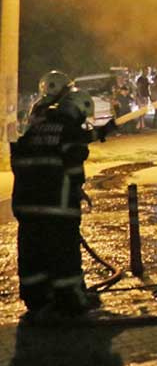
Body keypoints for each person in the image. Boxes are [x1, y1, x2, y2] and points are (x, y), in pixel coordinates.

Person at [11, 71, 118, 321]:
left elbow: (74, 139)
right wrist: (76, 189)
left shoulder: (36, 128)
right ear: (77, 111)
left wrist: (106, 130)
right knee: (64, 253)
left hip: (26, 204)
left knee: (32, 252)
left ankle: (37, 299)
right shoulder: (68, 129)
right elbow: (73, 161)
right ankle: (70, 300)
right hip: (57, 204)